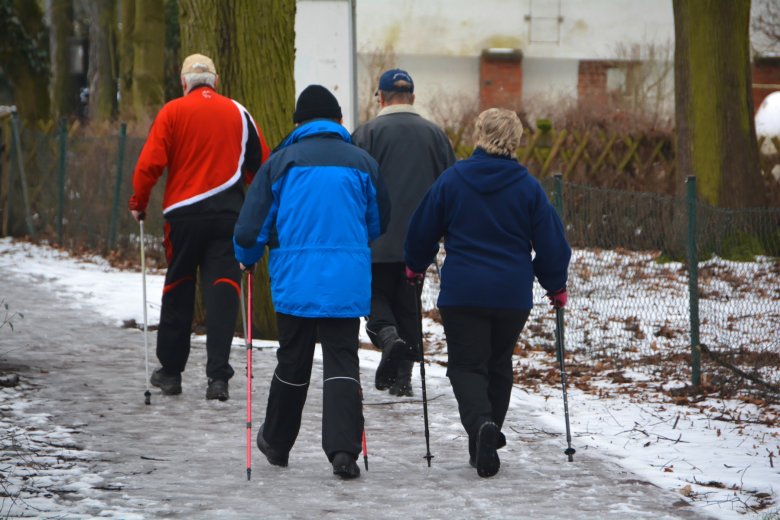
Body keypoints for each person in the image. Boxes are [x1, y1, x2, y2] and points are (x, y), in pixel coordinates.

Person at [233, 84, 390, 479]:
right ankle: (343, 451)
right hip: (345, 279)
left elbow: (251, 229)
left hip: (295, 279)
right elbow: (378, 221)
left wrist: (247, 260)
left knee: (294, 358)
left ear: (299, 122)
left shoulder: (280, 163)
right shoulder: (363, 162)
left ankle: (276, 442)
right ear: (338, 120)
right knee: (342, 359)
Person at [404, 108, 571, 478]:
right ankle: (485, 437)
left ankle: (481, 427)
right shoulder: (528, 187)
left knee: (466, 365)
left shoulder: (452, 181)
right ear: (515, 141)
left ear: (479, 134)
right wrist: (554, 284)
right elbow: (552, 244)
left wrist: (415, 265)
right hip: (511, 295)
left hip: (463, 292)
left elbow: (422, 229)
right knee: (497, 364)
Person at [128, 53, 270, 402]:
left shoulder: (172, 112)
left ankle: (172, 372)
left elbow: (150, 163)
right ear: (216, 81)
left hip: (182, 216)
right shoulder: (240, 112)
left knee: (179, 286)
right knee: (223, 289)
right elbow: (261, 165)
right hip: (228, 215)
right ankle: (218, 378)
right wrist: (255, 202)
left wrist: (139, 202)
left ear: (183, 82)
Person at [352, 68, 455, 396]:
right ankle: (404, 379)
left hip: (375, 238)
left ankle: (388, 338)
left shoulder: (366, 134)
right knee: (409, 301)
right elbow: (450, 185)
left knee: (375, 295)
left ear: (380, 97)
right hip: (419, 240)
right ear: (412, 97)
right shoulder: (435, 135)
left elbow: (354, 185)